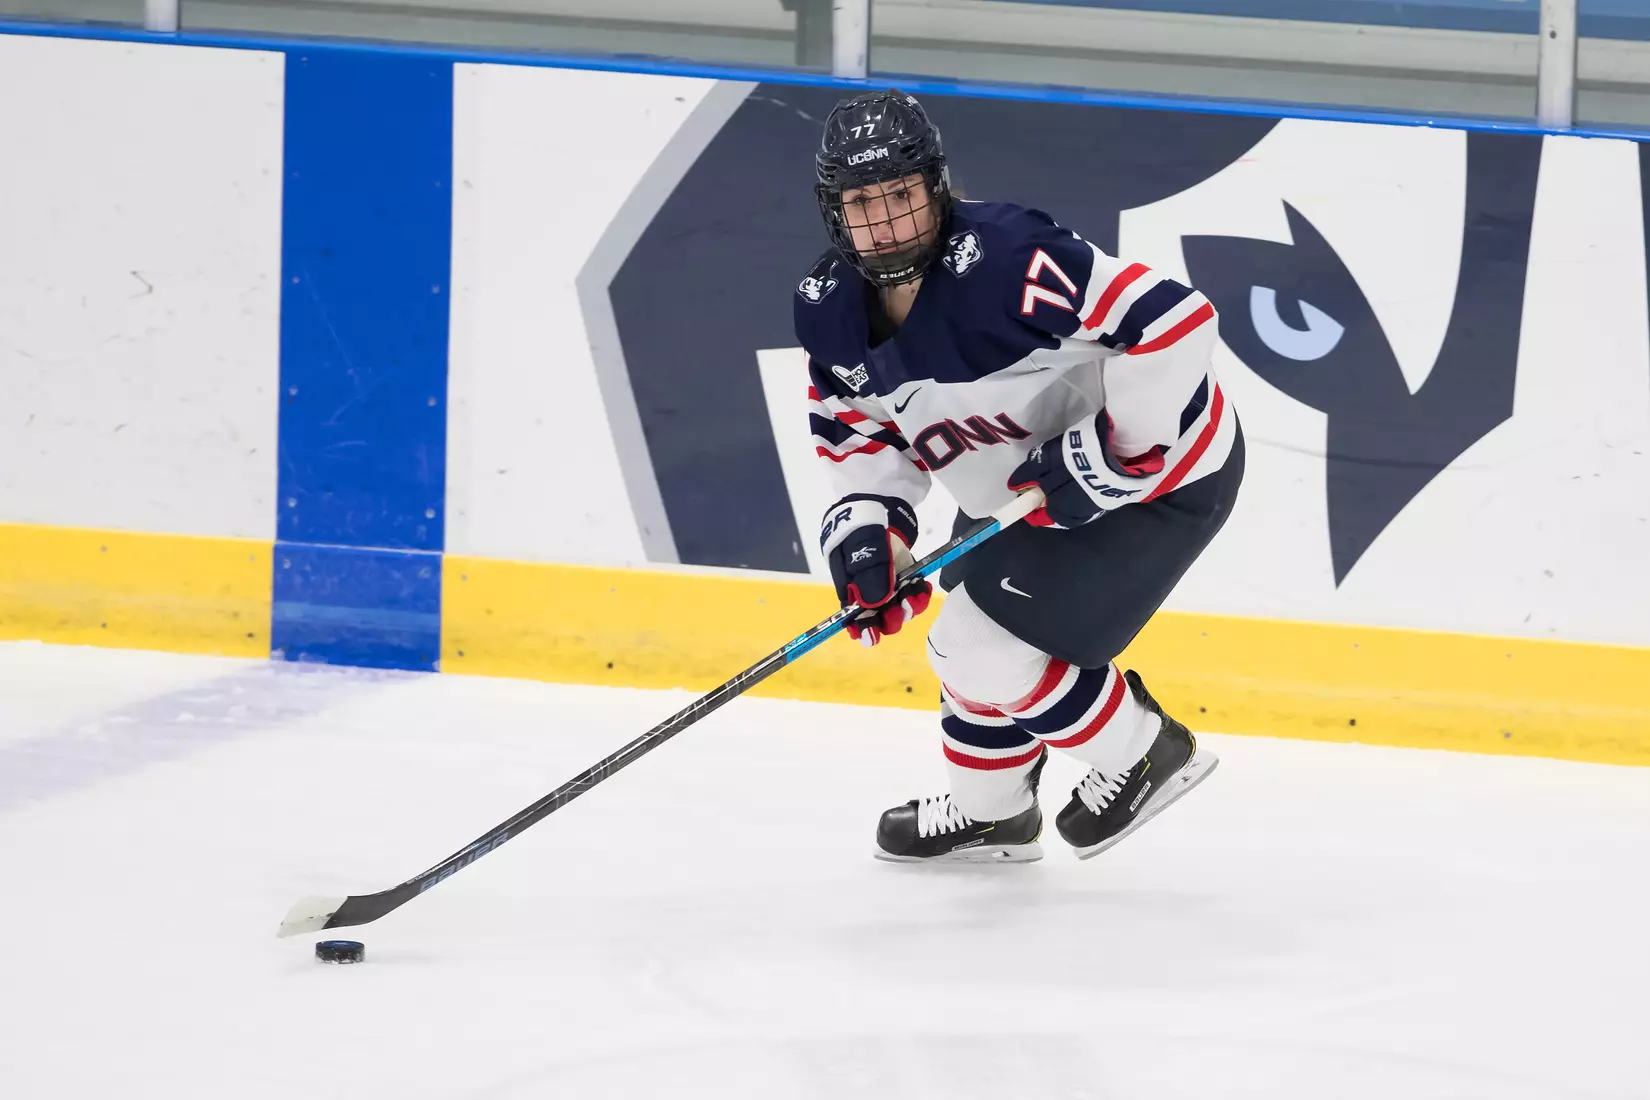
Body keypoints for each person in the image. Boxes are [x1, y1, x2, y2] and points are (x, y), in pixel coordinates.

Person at [794, 89, 1246, 863]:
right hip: (1023, 495)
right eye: (863, 203)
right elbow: (860, 427)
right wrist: (871, 532)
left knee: (979, 647)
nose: (887, 223)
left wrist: (1115, 453)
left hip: (1162, 481)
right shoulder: (830, 310)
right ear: (835, 215)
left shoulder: (1008, 260)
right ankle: (992, 810)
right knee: (966, 636)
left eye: (901, 195)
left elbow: (1175, 322)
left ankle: (1141, 751)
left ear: (935, 187)